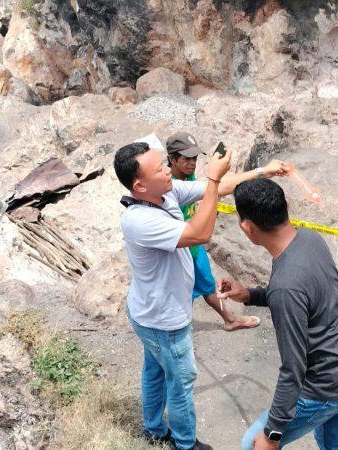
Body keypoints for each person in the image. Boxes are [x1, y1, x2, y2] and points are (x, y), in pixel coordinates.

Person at [114, 141, 289, 450]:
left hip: (149, 312)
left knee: (155, 371)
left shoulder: (163, 193)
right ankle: (184, 444)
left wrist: (263, 171)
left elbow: (220, 188)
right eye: (160, 168)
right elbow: (199, 232)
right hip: (164, 320)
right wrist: (211, 179)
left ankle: (153, 429)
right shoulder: (139, 220)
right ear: (139, 185)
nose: (168, 169)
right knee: (180, 383)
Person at [218, 179, 338, 450]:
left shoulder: (285, 286)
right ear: (286, 206)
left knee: (251, 445)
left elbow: (293, 369)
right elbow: (304, 297)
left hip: (328, 384)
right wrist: (250, 295)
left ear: (247, 227)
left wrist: (272, 435)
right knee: (334, 442)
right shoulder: (309, 239)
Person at [166, 131, 261, 332]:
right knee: (183, 292)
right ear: (172, 160)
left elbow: (211, 190)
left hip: (195, 247)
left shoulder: (188, 176)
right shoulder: (169, 188)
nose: (192, 163)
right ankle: (180, 331)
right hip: (181, 248)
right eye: (186, 159)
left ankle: (230, 319)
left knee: (207, 284)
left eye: (194, 158)